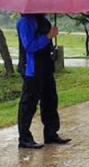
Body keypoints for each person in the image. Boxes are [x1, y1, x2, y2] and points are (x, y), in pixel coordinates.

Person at [16, 13, 70, 149]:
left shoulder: (44, 20)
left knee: (50, 99)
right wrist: (48, 37)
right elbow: (29, 46)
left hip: (46, 67)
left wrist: (52, 37)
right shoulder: (25, 22)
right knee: (29, 103)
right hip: (32, 68)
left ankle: (51, 133)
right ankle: (24, 138)